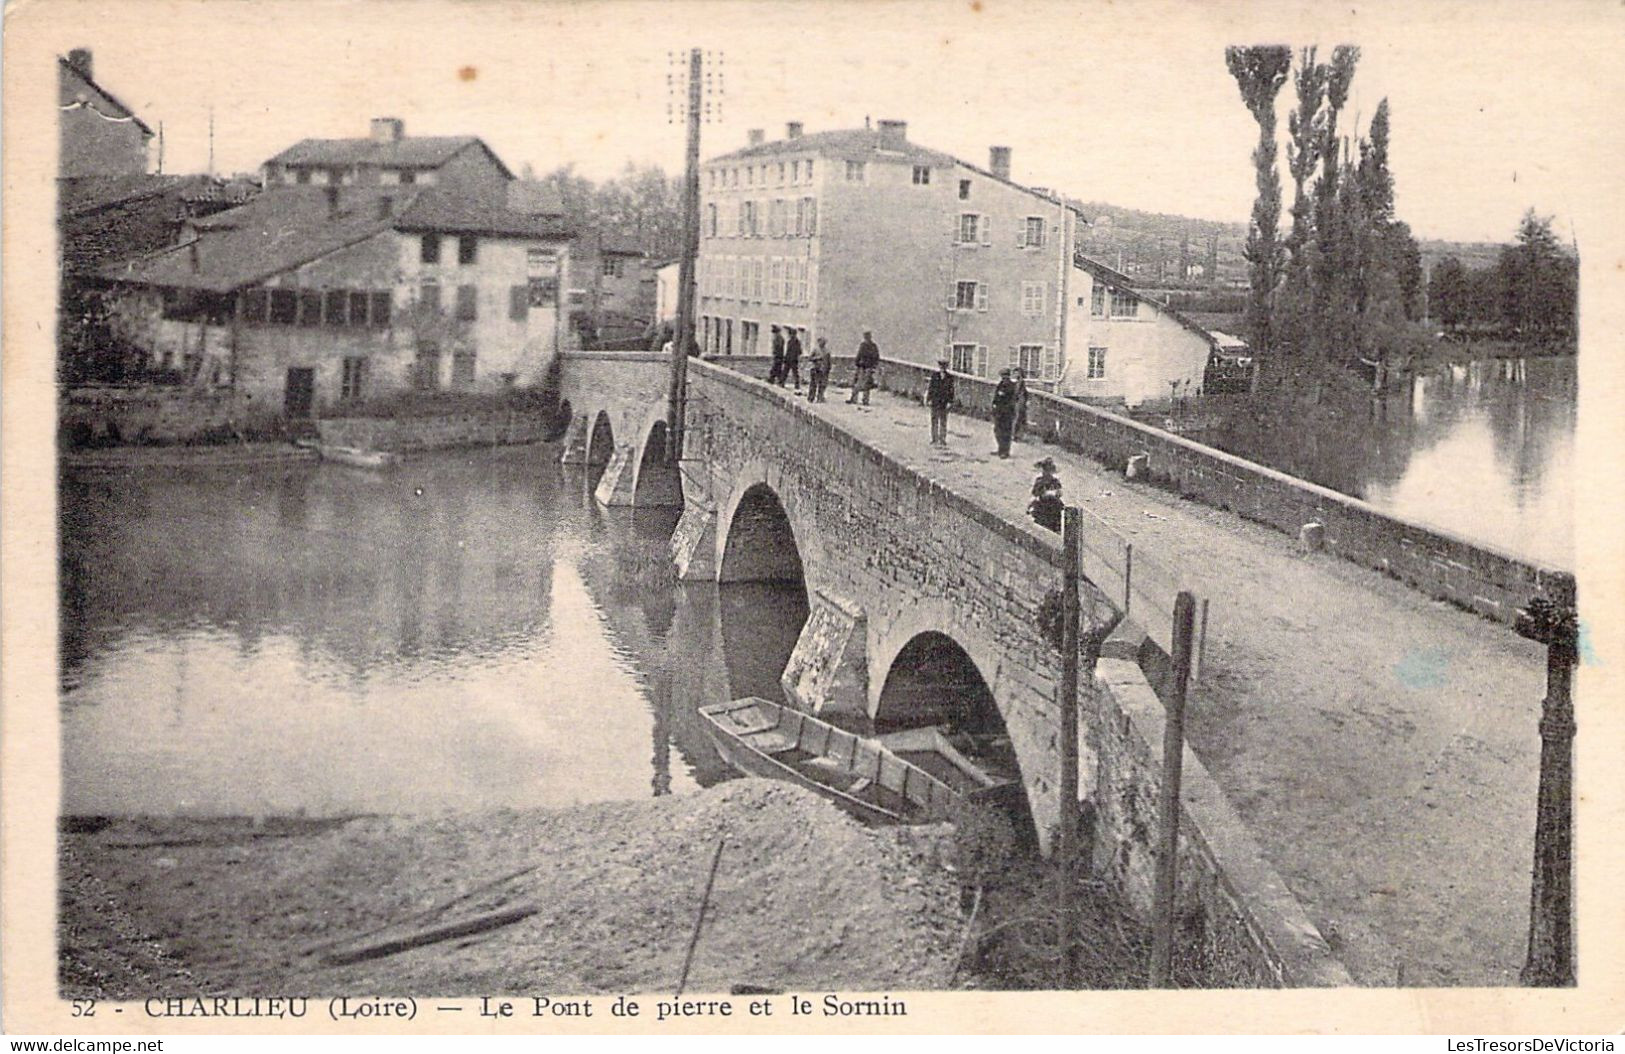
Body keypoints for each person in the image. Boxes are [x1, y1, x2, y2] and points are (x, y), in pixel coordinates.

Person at [1029, 457, 1064, 533]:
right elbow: (1035, 492)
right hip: (1042, 502)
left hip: (1053, 503)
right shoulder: (1039, 480)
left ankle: (1056, 528)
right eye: (1045, 470)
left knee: (1057, 510)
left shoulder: (1055, 481)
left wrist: (1054, 493)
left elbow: (1059, 492)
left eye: (1049, 471)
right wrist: (1042, 493)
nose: (1047, 473)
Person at [927, 357, 955, 446]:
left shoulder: (950, 377)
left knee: (943, 421)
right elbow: (931, 388)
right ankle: (934, 438)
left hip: (944, 402)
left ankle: (942, 439)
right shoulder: (934, 376)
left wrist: (950, 402)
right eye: (941, 365)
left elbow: (951, 391)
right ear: (939, 366)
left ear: (946, 367)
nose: (942, 367)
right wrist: (929, 399)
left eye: (944, 366)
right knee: (934, 420)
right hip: (935, 401)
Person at [848, 330, 880, 405]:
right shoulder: (872, 346)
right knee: (864, 385)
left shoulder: (866, 345)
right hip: (864, 367)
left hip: (864, 367)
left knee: (861, 384)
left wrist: (857, 363)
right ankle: (863, 400)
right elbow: (876, 357)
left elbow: (859, 355)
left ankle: (857, 399)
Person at [991, 368, 1018, 457]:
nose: (1004, 378)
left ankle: (1005, 451)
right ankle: (1000, 449)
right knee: (997, 431)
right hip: (999, 412)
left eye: (1005, 376)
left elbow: (1012, 400)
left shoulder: (1011, 386)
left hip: (1007, 413)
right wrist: (994, 406)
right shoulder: (1000, 385)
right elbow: (996, 397)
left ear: (1008, 376)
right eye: (1003, 376)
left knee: (1006, 432)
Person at [807, 337, 832, 402]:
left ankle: (820, 398)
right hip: (815, 369)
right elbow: (809, 358)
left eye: (824, 342)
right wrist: (817, 358)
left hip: (823, 370)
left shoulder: (827, 351)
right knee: (813, 384)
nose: (822, 343)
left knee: (822, 385)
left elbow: (829, 361)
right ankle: (811, 398)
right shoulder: (815, 349)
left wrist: (828, 369)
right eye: (821, 342)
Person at [1011, 366, 1030, 442]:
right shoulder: (1020, 382)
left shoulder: (1020, 382)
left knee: (1017, 419)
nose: (1015, 374)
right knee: (1020, 419)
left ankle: (1015, 435)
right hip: (1021, 402)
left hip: (1020, 403)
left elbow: (1018, 393)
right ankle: (1017, 436)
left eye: (1016, 373)